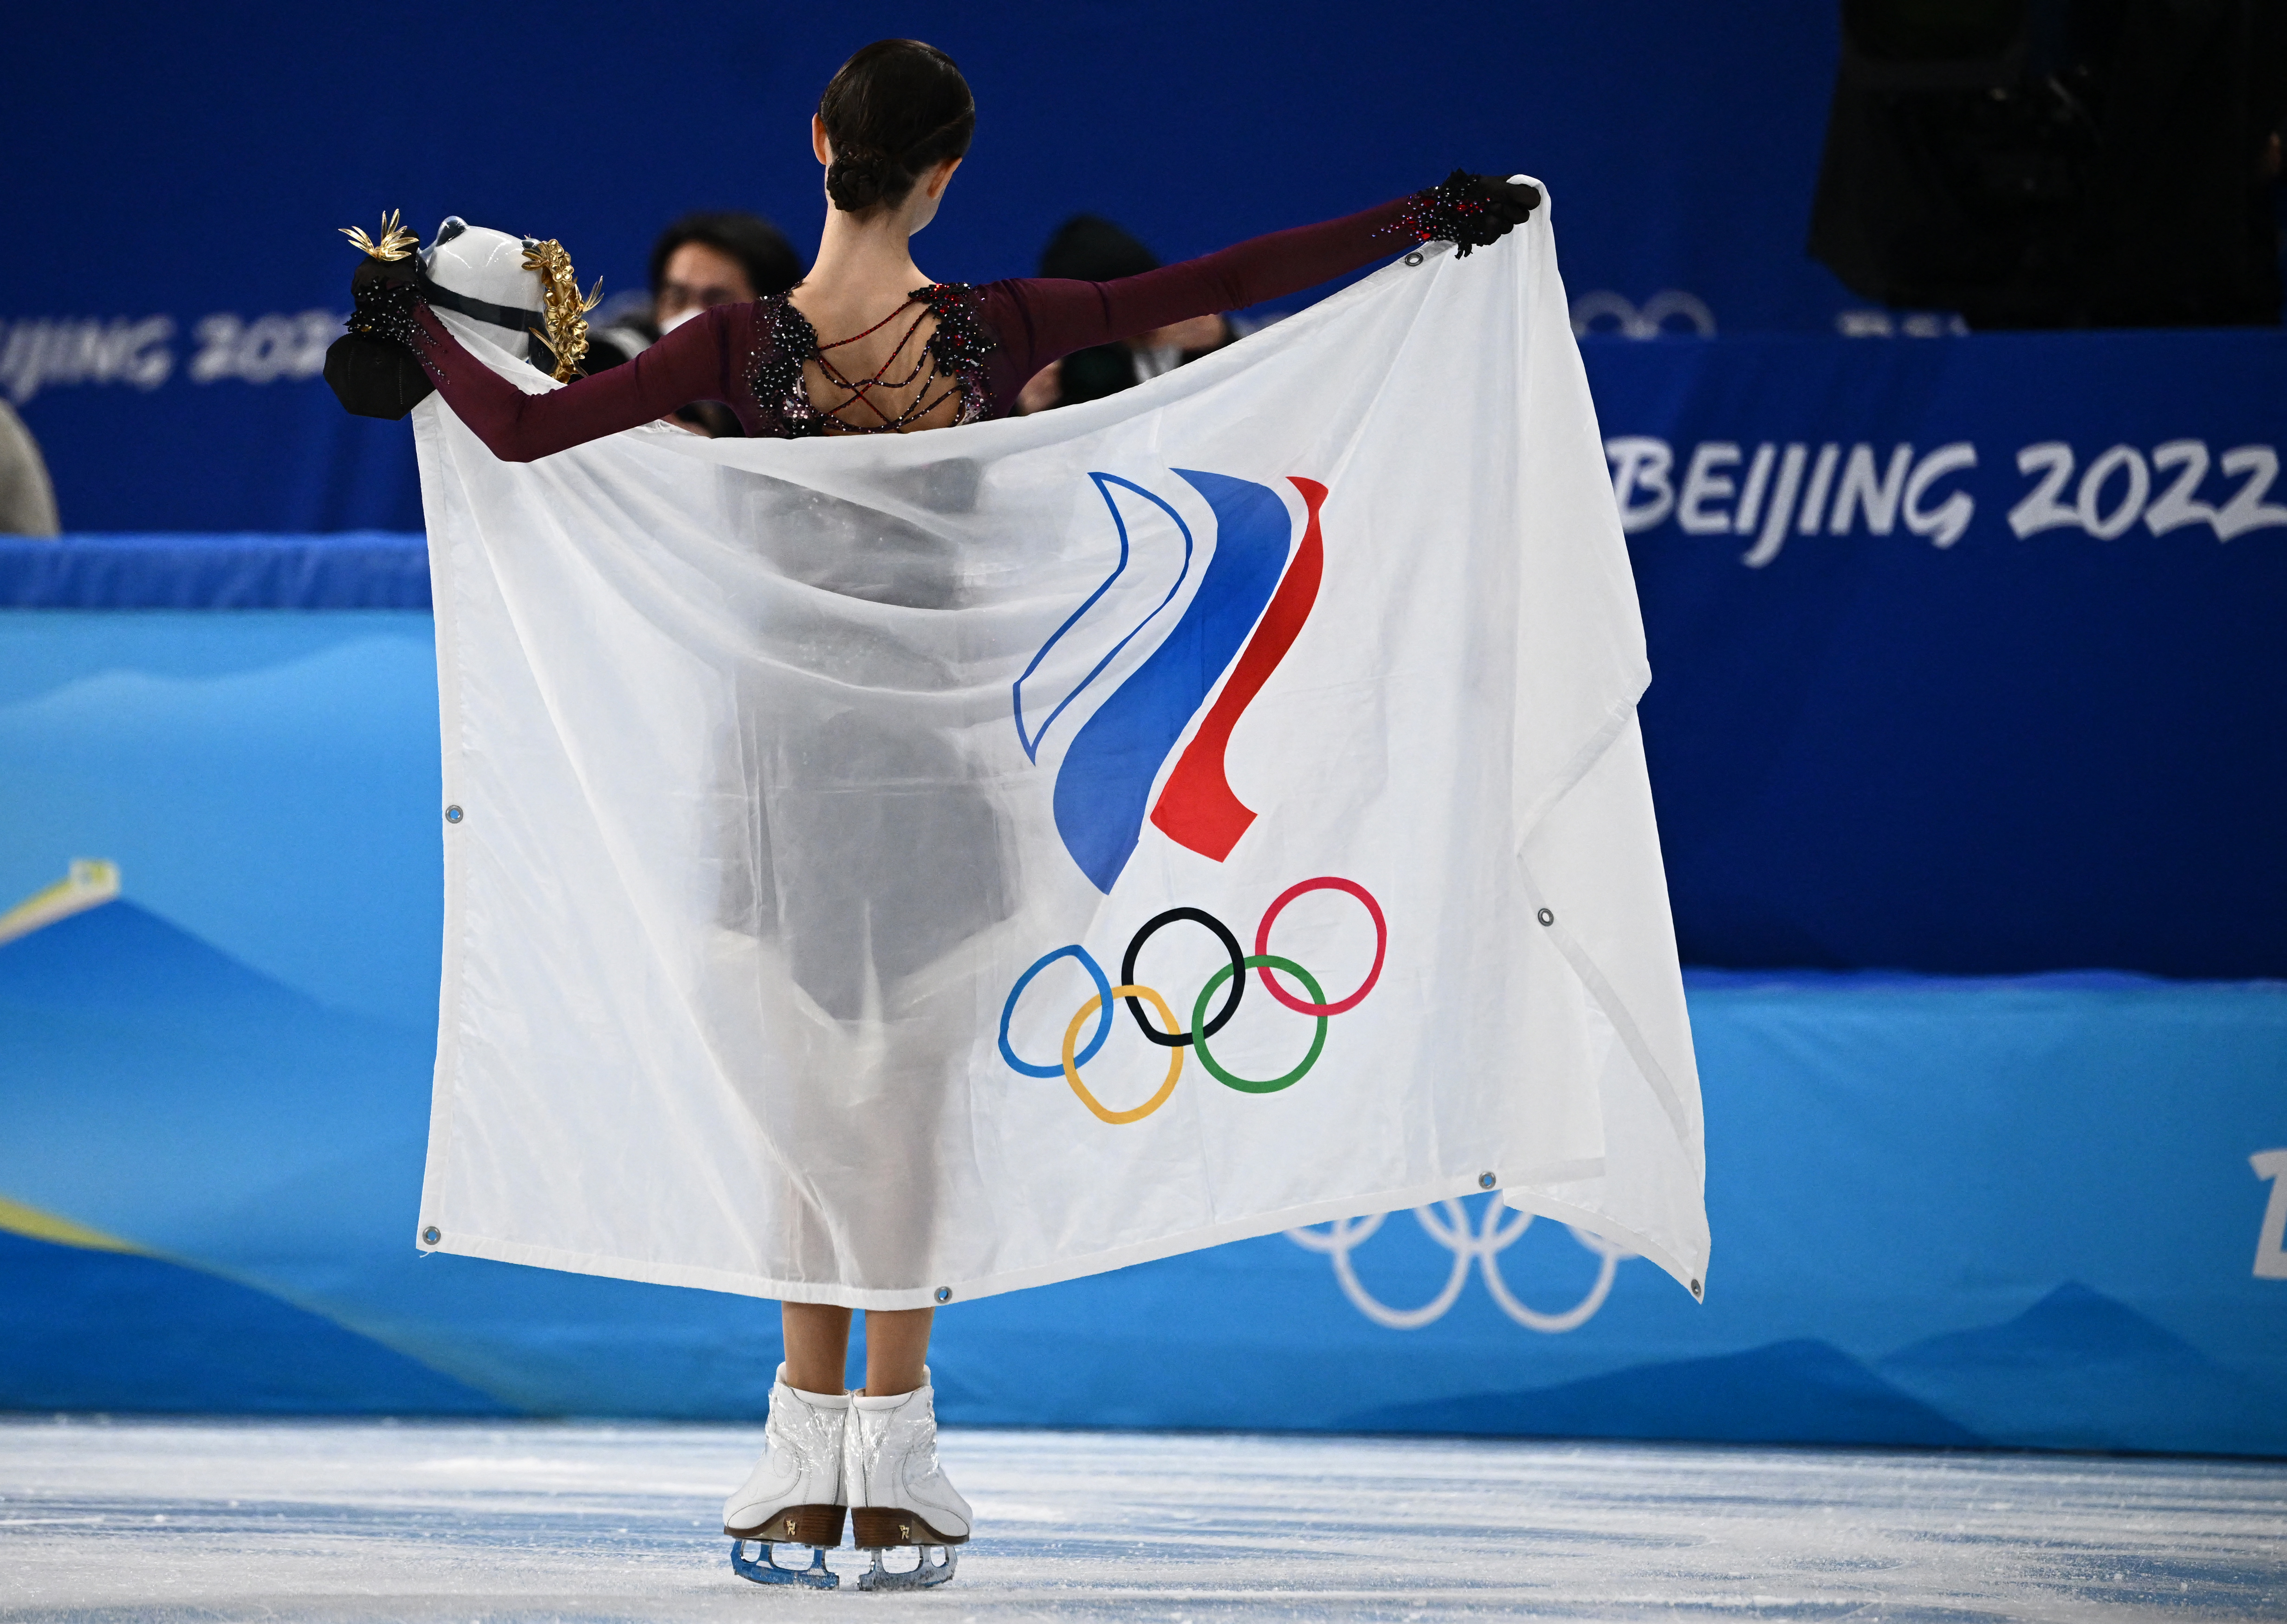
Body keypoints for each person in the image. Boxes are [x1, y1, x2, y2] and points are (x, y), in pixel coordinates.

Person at [337, 36, 1537, 1590]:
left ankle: (794, 1448)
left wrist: (415, 331)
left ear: (818, 141)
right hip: (928, 783)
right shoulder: (997, 327)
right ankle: (889, 1446)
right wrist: (1414, 220)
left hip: (773, 772)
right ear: (947, 173)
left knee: (798, 1098)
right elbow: (1224, 272)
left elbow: (513, 436)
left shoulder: (732, 348)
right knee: (898, 1100)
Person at [586, 212, 804, 436]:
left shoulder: (812, 412)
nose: (692, 319)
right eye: (677, 298)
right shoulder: (619, 359)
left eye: (718, 302)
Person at [1016, 214, 1247, 414]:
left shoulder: (1186, 339)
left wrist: (1221, 344)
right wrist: (1020, 412)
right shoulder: (1036, 371)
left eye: (1133, 309)